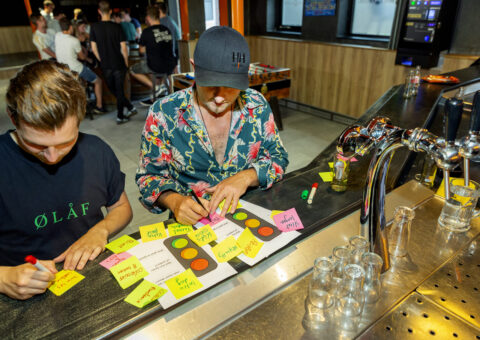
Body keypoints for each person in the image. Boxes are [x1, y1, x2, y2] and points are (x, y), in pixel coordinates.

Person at [0, 60, 133, 300]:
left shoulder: (97, 151)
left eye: (65, 144)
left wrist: (100, 230)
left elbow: (122, 207)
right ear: (13, 118)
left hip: (92, 278)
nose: (52, 157)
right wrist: (3, 277)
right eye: (37, 145)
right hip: (23, 295)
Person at [136, 26, 289, 225]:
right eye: (210, 84)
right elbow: (148, 177)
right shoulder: (163, 113)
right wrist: (174, 201)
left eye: (231, 87)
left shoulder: (256, 105)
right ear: (194, 68)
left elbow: (279, 158)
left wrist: (246, 177)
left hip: (248, 213)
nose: (219, 98)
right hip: (192, 222)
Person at [90, 1, 137, 124]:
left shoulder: (94, 27)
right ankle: (129, 107)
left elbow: (94, 49)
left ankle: (120, 115)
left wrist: (102, 59)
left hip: (105, 65)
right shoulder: (117, 27)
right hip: (119, 63)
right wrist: (126, 62)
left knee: (114, 89)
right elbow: (123, 48)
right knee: (119, 90)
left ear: (99, 11)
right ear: (110, 11)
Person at [55, 17, 106, 114]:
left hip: (62, 69)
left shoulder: (57, 35)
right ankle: (99, 106)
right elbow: (82, 57)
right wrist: (86, 54)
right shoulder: (74, 40)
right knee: (98, 81)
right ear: (71, 27)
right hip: (76, 68)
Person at [130, 6, 176, 106]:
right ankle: (158, 91)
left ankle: (156, 88)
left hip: (156, 66)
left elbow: (141, 51)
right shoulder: (166, 29)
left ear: (149, 17)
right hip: (169, 65)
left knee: (133, 70)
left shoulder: (146, 32)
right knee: (157, 68)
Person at [158, 2, 180, 71]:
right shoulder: (167, 19)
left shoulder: (166, 21)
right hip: (173, 49)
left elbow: (172, 38)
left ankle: (175, 81)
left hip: (173, 49)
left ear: (159, 10)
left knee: (173, 70)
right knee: (173, 70)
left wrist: (171, 53)